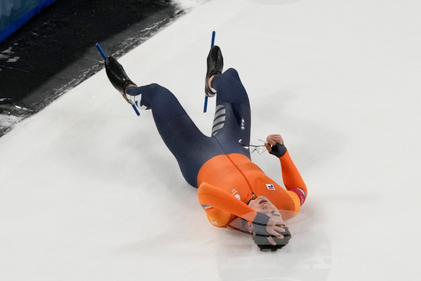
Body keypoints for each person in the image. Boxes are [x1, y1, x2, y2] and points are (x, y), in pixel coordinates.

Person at [104, 45, 307, 250]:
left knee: (158, 93)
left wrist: (247, 213)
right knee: (230, 78)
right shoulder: (287, 204)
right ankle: (212, 81)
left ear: (251, 226)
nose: (269, 208)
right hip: (235, 144)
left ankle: (128, 90)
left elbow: (205, 193)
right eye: (275, 214)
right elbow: (300, 190)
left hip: (197, 156)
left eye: (265, 216)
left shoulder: (224, 217)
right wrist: (283, 154)